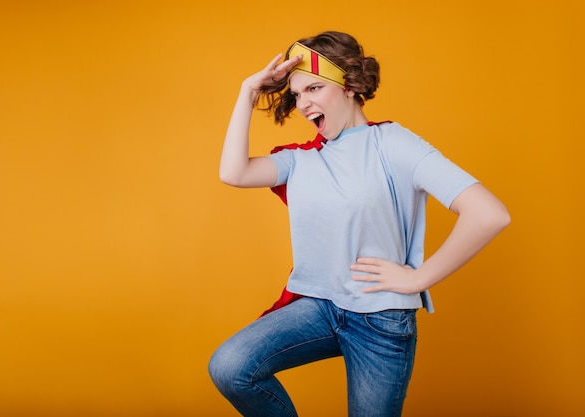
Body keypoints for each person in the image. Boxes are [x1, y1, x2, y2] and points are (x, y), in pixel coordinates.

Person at [208, 31, 510, 417]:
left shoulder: (393, 144)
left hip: (380, 318)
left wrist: (418, 279)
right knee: (231, 367)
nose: (303, 104)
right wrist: (248, 92)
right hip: (319, 306)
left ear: (349, 85)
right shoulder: (300, 160)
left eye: (314, 87)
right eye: (297, 94)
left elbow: (489, 213)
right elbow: (233, 172)